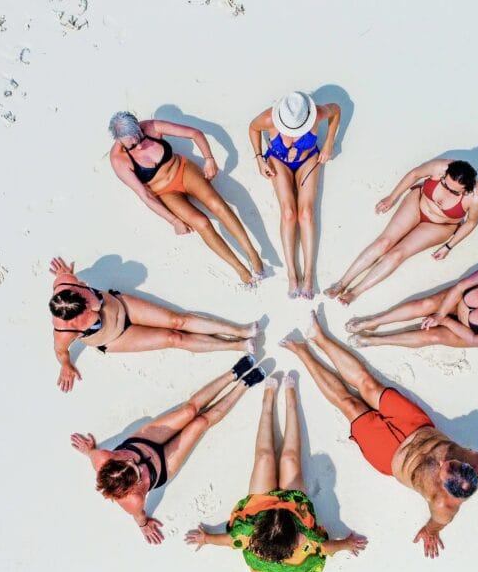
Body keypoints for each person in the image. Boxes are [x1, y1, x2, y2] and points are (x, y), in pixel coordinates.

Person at [280, 310, 478, 558]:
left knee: (349, 404)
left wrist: (431, 532)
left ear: (447, 489)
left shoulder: (443, 506)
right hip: (415, 425)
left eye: (442, 469)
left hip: (391, 456)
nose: (441, 460)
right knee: (368, 383)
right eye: (451, 460)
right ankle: (319, 337)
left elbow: (437, 523)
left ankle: (302, 352)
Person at [184, 372, 367, 572]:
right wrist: (347, 544)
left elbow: (228, 540)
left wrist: (205, 538)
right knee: (289, 459)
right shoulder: (304, 541)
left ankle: (267, 402)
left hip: (261, 512)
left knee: (264, 458)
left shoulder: (249, 536)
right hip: (292, 513)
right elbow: (326, 548)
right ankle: (291, 400)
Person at [70, 356, 266, 544]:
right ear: (132, 488)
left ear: (114, 459)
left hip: (144, 441)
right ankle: (244, 384)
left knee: (189, 410)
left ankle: (233, 373)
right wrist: (144, 525)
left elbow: (92, 454)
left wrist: (88, 450)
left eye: (128, 461)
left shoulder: (101, 457)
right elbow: (139, 516)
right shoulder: (134, 501)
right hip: (162, 467)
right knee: (200, 423)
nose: (137, 462)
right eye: (138, 472)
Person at [49, 256, 259, 392]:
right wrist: (66, 366)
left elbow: (64, 276)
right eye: (87, 308)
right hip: (115, 338)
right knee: (174, 338)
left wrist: (64, 272)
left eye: (84, 294)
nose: (93, 306)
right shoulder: (65, 331)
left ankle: (239, 330)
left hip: (122, 306)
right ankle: (235, 345)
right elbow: (61, 351)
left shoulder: (66, 282)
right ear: (73, 317)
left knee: (178, 320)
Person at [108, 112, 265, 287]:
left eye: (139, 138)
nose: (138, 146)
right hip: (166, 191)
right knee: (202, 223)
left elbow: (195, 133)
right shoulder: (118, 160)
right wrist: (174, 221)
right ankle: (239, 268)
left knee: (217, 205)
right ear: (119, 140)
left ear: (138, 126)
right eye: (131, 145)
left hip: (183, 170)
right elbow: (145, 196)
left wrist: (209, 159)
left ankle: (252, 254)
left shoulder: (152, 127)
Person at [325, 158, 478, 305]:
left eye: (454, 192)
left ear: (466, 190)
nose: (447, 190)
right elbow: (415, 174)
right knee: (384, 242)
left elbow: (471, 223)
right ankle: (341, 283)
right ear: (445, 174)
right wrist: (392, 197)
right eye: (445, 184)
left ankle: (355, 292)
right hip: (418, 203)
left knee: (397, 254)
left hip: (441, 225)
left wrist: (448, 246)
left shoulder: (476, 197)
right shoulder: (440, 167)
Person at [248, 91, 342, 299]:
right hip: (278, 160)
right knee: (289, 213)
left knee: (306, 214)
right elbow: (253, 128)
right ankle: (292, 273)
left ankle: (308, 275)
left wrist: (328, 143)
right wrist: (258, 158)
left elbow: (336, 110)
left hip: (308, 160)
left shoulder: (316, 114)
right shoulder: (268, 119)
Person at [345, 268, 478, 348]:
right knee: (426, 304)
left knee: (433, 336)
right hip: (457, 303)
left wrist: (443, 321)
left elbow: (474, 339)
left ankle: (376, 341)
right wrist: (439, 313)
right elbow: (461, 287)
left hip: (468, 331)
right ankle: (373, 322)